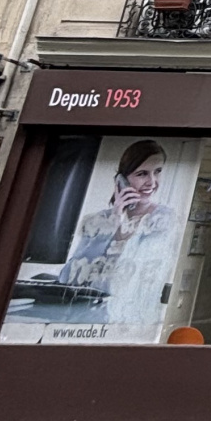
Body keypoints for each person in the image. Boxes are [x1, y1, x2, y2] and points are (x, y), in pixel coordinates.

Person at [60, 139, 178, 332]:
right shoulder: (98, 221)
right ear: (122, 181)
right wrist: (113, 223)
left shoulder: (167, 220)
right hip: (87, 322)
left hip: (134, 323)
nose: (152, 182)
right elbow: (67, 278)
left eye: (157, 171)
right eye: (142, 174)